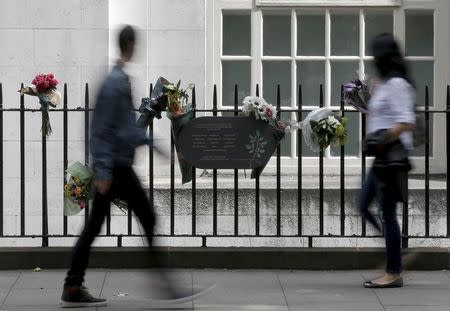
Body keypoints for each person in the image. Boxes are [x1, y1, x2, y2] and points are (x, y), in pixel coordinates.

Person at [61, 25, 189, 308]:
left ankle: (72, 285)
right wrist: (103, 171)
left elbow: (125, 130)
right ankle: (164, 285)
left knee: (99, 226)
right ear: (130, 45)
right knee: (144, 218)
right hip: (116, 169)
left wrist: (158, 149)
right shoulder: (115, 82)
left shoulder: (118, 79)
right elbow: (101, 129)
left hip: (117, 167)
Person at [361, 33, 416, 289]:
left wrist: (381, 140)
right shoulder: (386, 83)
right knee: (363, 204)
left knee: (386, 213)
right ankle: (396, 249)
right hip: (382, 158)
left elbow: (406, 122)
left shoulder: (397, 84)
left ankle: (393, 271)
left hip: (391, 158)